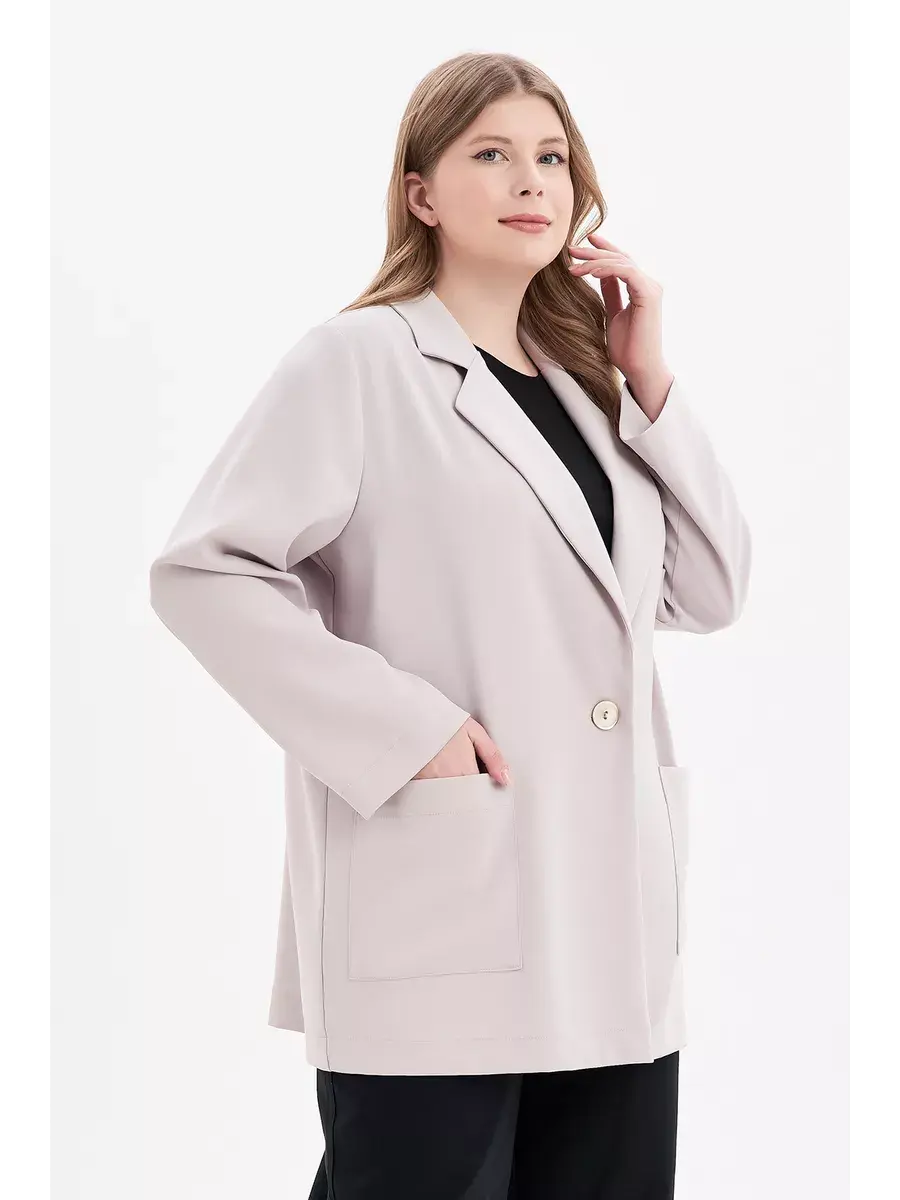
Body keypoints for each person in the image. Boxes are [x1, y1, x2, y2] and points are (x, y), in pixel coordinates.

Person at [149, 50, 751, 1199]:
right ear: (421, 193)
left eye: (552, 157)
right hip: (445, 906)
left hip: (611, 925)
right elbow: (203, 572)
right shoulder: (360, 361)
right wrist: (404, 731)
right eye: (492, 153)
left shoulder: (589, 388)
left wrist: (651, 379)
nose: (532, 181)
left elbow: (710, 590)